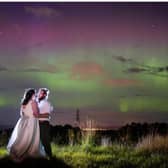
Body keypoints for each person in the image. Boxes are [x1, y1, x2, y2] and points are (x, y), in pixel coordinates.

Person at [7, 88, 48, 162]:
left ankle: (17, 150)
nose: (35, 95)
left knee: (22, 137)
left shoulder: (23, 103)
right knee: (30, 138)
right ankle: (29, 151)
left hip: (23, 121)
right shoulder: (33, 102)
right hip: (32, 122)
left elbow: (21, 114)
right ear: (32, 95)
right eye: (34, 94)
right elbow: (36, 114)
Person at [37, 88, 53, 159]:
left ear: (45, 95)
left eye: (40, 93)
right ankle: (43, 155)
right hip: (39, 124)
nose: (38, 94)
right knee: (40, 140)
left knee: (45, 140)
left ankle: (50, 156)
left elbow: (47, 115)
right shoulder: (39, 103)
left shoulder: (46, 103)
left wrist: (37, 116)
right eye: (39, 92)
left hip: (44, 124)